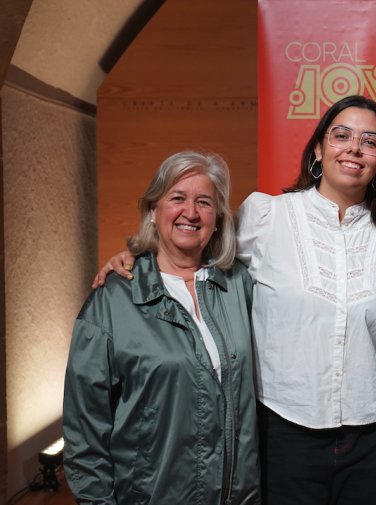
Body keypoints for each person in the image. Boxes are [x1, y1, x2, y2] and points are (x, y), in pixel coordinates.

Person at [93, 95, 376, 505]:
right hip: (284, 433)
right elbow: (192, 240)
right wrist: (136, 254)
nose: (354, 148)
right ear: (318, 149)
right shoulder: (266, 216)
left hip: (372, 439)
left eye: (369, 141)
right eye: (341, 135)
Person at [64, 151, 260, 504]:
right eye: (177, 198)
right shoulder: (112, 300)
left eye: (204, 202)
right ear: (153, 211)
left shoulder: (240, 287)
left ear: (217, 218)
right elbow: (84, 430)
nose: (191, 212)